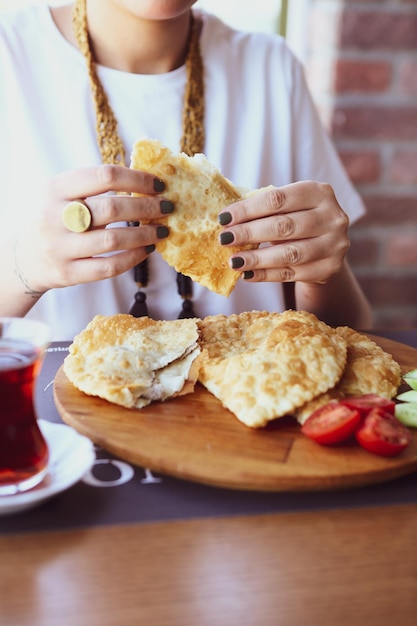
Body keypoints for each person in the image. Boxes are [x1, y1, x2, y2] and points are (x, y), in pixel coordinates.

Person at [0, 0, 372, 341]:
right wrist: (22, 266)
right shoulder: (10, 55)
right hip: (46, 411)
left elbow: (354, 334)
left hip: (247, 405)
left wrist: (323, 274)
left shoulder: (271, 67)